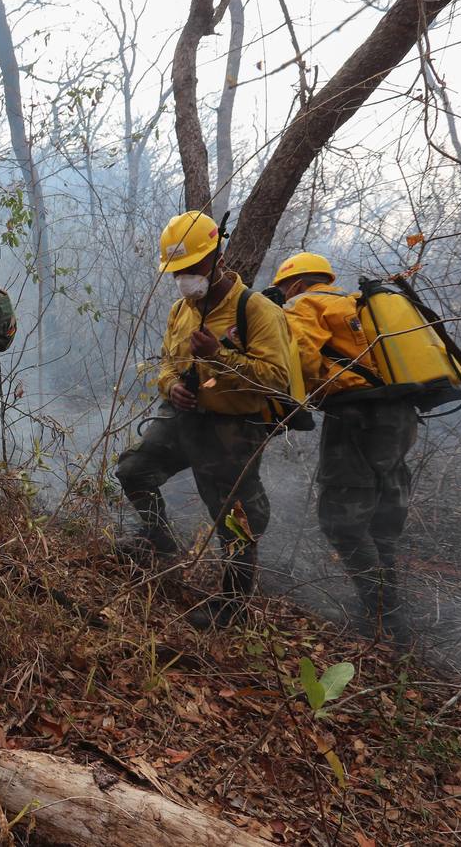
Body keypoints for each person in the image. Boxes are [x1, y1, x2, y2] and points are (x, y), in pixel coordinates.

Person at [116, 211, 292, 629]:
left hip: (233, 427)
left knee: (235, 518)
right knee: (133, 470)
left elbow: (278, 380)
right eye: (177, 270)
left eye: (191, 268)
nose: (183, 277)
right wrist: (170, 386)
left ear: (217, 257)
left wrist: (220, 356)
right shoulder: (181, 309)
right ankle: (161, 544)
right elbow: (165, 366)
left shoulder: (258, 310)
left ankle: (231, 609)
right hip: (183, 416)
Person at [271, 251, 414, 646]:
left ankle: (381, 618)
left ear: (296, 284)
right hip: (401, 414)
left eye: (283, 290)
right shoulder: (354, 304)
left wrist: (282, 400)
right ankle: (392, 618)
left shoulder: (304, 303)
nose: (283, 297)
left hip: (357, 417)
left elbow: (298, 355)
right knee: (381, 522)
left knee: (343, 522)